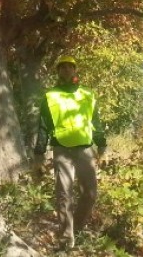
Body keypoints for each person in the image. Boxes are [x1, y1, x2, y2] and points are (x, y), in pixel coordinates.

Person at [32, 55, 107, 249]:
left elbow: (95, 122)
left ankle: (77, 229)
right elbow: (43, 127)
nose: (66, 70)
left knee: (90, 194)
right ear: (58, 71)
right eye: (62, 67)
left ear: (75, 70)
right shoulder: (50, 96)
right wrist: (39, 155)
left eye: (70, 67)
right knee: (64, 195)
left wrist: (102, 146)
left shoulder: (87, 94)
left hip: (85, 149)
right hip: (61, 149)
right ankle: (67, 240)